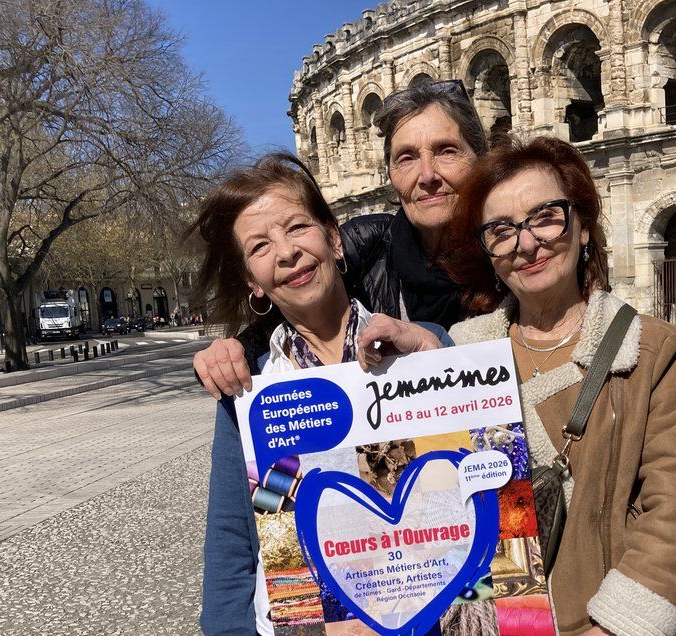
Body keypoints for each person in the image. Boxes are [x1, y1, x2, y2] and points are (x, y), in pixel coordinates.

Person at [440, 135, 676, 636]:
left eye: (546, 216)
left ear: (583, 226)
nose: (526, 242)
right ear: (488, 253)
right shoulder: (460, 358)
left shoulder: (655, 350)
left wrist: (612, 635)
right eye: (501, 230)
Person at [186, 153, 445, 636]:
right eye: (260, 246)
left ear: (333, 238)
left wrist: (433, 354)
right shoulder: (252, 388)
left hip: (422, 624)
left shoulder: (421, 352)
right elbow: (234, 536)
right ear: (253, 281)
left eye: (297, 227)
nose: (286, 253)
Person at [193, 79, 489, 398]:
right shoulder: (369, 243)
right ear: (389, 174)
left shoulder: (515, 248)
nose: (427, 175)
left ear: (481, 158)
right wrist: (230, 355)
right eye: (406, 158)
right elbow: (295, 297)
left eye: (446, 150)